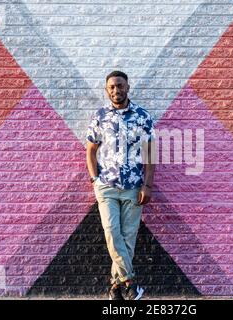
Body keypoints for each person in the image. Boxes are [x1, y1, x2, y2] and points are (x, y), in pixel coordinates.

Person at [86, 70, 156, 300]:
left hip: (134, 187)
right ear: (107, 90)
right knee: (111, 231)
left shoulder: (142, 117)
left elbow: (150, 154)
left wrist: (147, 185)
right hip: (106, 185)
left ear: (128, 87)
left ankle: (116, 288)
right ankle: (131, 282)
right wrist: (95, 179)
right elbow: (91, 150)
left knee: (128, 238)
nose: (116, 90)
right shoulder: (100, 116)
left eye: (120, 86)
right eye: (112, 87)